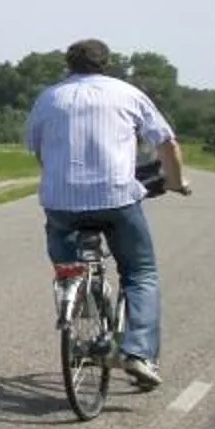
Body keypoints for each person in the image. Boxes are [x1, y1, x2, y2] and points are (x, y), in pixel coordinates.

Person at [23, 39, 191, 391]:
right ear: (106, 63)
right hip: (116, 198)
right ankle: (138, 353)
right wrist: (175, 182)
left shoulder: (48, 98)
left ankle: (76, 303)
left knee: (67, 267)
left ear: (68, 64)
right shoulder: (127, 94)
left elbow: (38, 148)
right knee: (141, 273)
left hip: (60, 202)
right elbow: (167, 143)